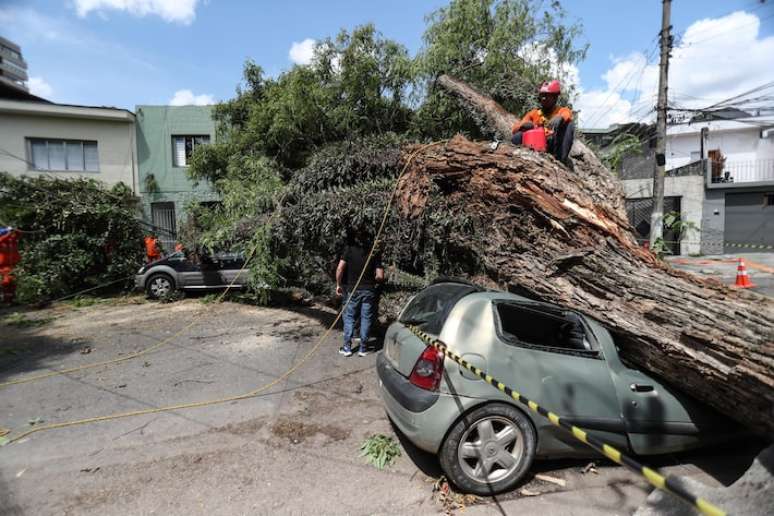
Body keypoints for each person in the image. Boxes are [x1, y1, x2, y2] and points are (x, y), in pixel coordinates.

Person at [336, 229, 385, 357]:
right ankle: (363, 348)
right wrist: (372, 279)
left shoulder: (349, 249)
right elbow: (380, 276)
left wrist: (338, 284)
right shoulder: (374, 252)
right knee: (366, 318)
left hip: (352, 289)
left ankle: (347, 347)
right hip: (368, 290)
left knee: (349, 317)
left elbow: (340, 268)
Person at [511, 80, 575, 165]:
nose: (544, 98)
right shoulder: (534, 113)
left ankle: (561, 162)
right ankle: (517, 159)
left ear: (555, 97)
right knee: (518, 135)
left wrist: (560, 118)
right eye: (542, 96)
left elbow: (567, 114)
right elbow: (514, 129)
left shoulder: (561, 110)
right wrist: (523, 125)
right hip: (535, 145)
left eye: (547, 96)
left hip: (553, 146)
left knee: (569, 125)